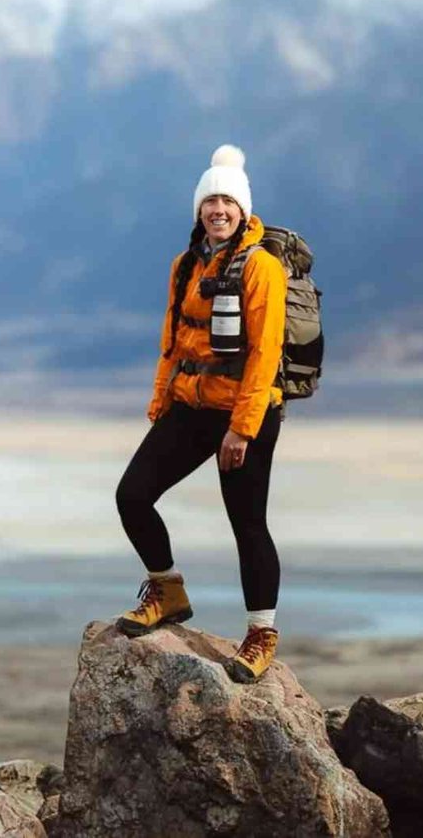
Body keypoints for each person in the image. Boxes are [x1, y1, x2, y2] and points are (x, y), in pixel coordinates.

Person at [113, 143, 288, 684]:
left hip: (245, 414)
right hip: (190, 406)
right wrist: (160, 401)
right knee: (133, 494)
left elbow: (264, 353)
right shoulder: (185, 264)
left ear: (243, 209)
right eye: (210, 200)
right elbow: (172, 340)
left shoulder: (262, 268)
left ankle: (260, 634)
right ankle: (166, 590)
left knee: (247, 524)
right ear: (199, 211)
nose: (218, 209)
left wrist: (243, 427)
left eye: (227, 201)